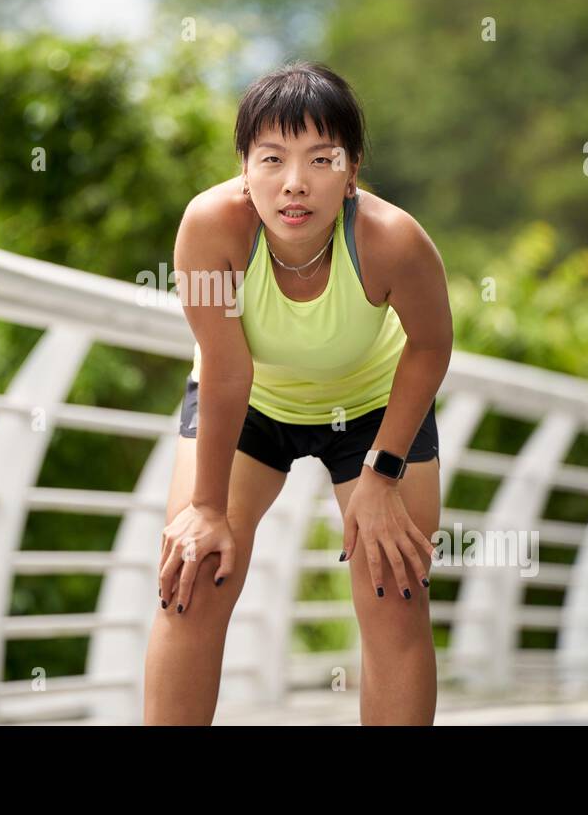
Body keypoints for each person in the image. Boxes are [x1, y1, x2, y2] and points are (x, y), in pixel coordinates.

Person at [143, 60, 452, 725]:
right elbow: (226, 371)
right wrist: (206, 507)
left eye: (320, 159)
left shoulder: (392, 240)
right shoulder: (208, 230)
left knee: (394, 587)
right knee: (191, 573)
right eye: (272, 159)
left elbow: (430, 346)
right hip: (249, 405)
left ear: (352, 171)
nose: (294, 183)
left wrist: (382, 475)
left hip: (371, 411)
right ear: (243, 167)